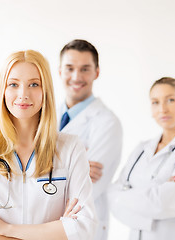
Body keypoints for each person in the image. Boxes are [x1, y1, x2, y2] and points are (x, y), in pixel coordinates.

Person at [0, 50, 97, 240]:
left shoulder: (70, 148)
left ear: (45, 90)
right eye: (13, 84)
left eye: (34, 84)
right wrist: (59, 230)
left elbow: (84, 228)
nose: (23, 94)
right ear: (3, 90)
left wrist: (4, 228)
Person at [108, 77, 175, 240]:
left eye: (170, 100)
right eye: (155, 102)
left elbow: (165, 203)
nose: (162, 109)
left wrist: (128, 198)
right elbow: (112, 196)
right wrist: (149, 203)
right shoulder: (142, 149)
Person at [58, 39, 122, 240]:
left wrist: (47, 167)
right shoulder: (44, 117)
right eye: (70, 68)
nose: (76, 77)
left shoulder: (107, 123)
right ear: (60, 71)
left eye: (85, 69)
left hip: (82, 229)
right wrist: (72, 167)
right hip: (45, 227)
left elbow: (85, 191)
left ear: (97, 72)